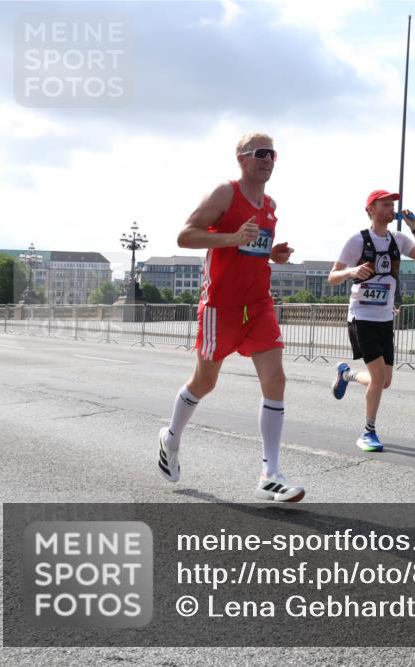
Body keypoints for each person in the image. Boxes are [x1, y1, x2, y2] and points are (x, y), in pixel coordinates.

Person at [157, 132, 305, 503]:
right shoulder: (225, 193)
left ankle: (270, 475)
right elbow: (185, 236)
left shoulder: (270, 204)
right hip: (220, 306)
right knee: (204, 381)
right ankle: (170, 438)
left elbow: (251, 249)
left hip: (258, 304)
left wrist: (273, 254)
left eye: (273, 154)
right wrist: (232, 238)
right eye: (261, 153)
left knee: (276, 379)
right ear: (242, 158)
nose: (268, 160)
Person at [328, 190, 415, 451]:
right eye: (385, 204)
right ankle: (368, 432)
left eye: (392, 204)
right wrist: (352, 270)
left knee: (385, 382)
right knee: (377, 378)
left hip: (385, 319)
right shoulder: (358, 240)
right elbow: (332, 276)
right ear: (371, 210)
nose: (391, 208)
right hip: (362, 317)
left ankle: (347, 374)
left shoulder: (399, 239)